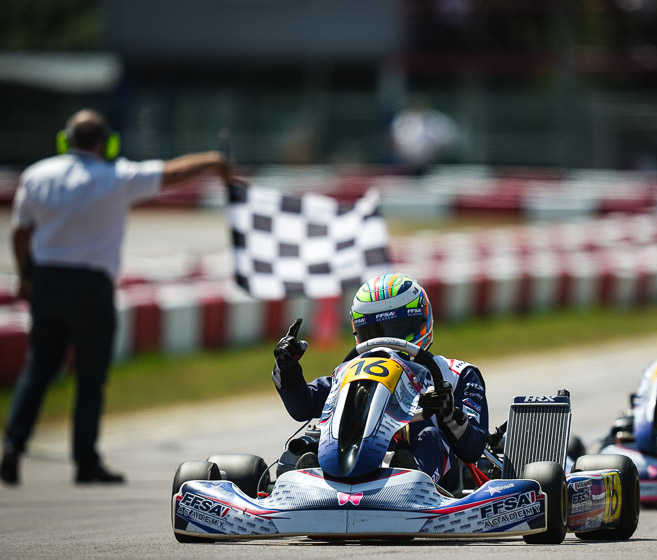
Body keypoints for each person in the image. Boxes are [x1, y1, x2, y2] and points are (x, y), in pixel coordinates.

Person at [1, 109, 235, 486]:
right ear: (106, 142)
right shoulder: (116, 176)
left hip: (46, 281)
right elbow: (173, 172)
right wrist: (213, 160)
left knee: (39, 367)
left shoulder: (36, 175)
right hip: (92, 288)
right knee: (90, 376)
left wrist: (26, 274)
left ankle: (13, 444)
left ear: (65, 140)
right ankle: (85, 461)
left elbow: (19, 231)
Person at [272, 273, 489, 488]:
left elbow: (474, 448)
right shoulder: (352, 374)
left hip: (433, 485)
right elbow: (303, 407)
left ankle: (410, 478)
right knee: (317, 439)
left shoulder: (456, 375)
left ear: (422, 321)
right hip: (355, 468)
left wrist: (448, 415)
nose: (387, 339)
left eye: (398, 329)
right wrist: (288, 370)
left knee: (430, 436)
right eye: (373, 332)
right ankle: (313, 481)